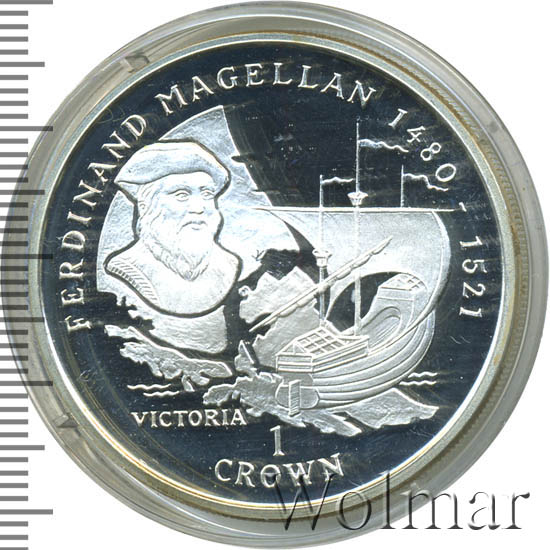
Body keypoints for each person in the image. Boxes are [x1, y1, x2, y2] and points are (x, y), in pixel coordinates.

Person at [105, 141, 240, 317]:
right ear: (145, 207)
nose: (198, 208)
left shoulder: (228, 265)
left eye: (207, 194)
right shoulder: (126, 267)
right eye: (182, 195)